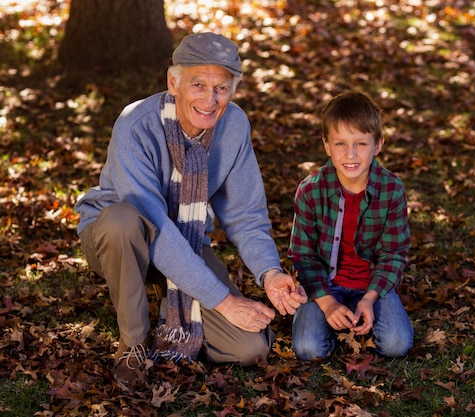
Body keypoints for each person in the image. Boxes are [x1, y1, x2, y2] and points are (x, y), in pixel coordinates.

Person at [74, 32, 307, 388]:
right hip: (119, 240)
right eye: (197, 84)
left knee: (249, 349)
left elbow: (245, 214)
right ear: (173, 81)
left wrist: (269, 272)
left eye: (222, 88)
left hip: (187, 237)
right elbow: (154, 224)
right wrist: (225, 302)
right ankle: (132, 345)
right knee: (123, 221)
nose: (210, 100)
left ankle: (169, 295)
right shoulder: (135, 124)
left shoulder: (234, 125)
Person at [288, 91, 413, 361]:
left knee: (395, 344)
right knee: (308, 349)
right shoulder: (311, 190)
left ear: (378, 144)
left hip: (371, 283)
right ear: (326, 145)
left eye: (361, 143)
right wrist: (327, 303)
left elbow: (394, 253)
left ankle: (360, 310)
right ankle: (336, 317)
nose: (351, 154)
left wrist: (370, 297)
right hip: (323, 283)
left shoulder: (391, 189)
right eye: (341, 143)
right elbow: (303, 256)